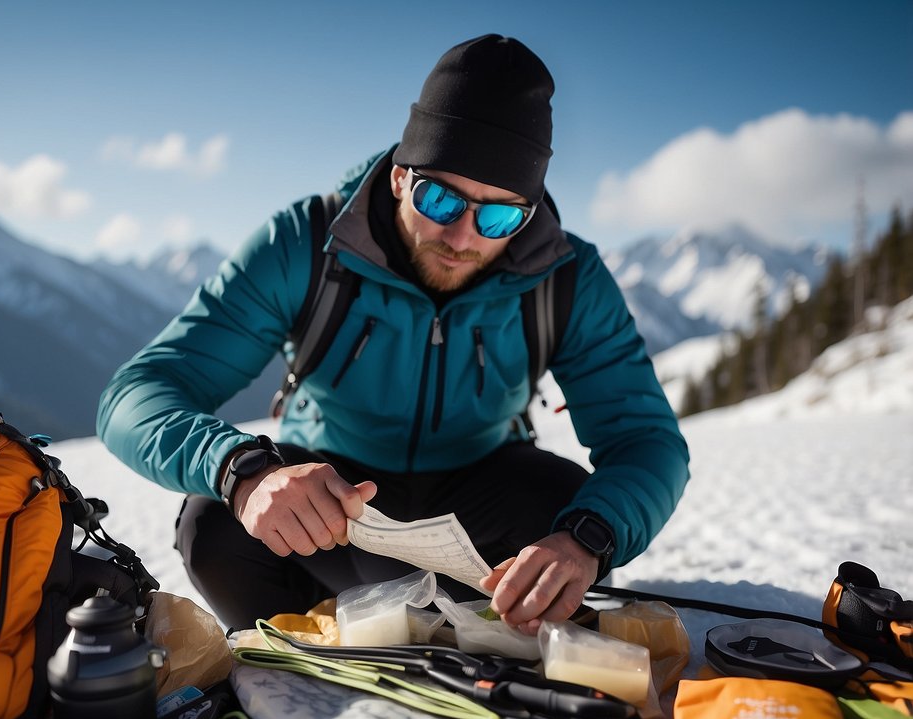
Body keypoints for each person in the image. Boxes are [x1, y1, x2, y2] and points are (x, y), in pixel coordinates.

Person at [98, 34, 689, 635]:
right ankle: (300, 661)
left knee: (565, 506)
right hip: (322, 520)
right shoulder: (306, 246)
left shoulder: (565, 276)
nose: (463, 238)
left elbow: (645, 440)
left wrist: (587, 538)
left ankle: (484, 640)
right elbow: (138, 393)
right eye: (440, 198)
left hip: (482, 529)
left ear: (528, 212)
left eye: (500, 214)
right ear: (402, 177)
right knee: (214, 522)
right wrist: (242, 471)